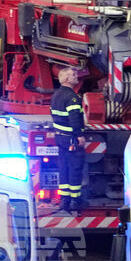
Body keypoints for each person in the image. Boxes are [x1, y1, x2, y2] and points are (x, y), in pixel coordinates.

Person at [51, 67, 87, 213]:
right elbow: (74, 118)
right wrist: (79, 135)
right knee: (75, 168)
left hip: (60, 138)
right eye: (73, 74)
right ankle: (75, 201)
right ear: (66, 79)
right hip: (71, 139)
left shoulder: (56, 95)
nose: (76, 76)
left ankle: (65, 200)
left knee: (63, 168)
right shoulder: (72, 97)